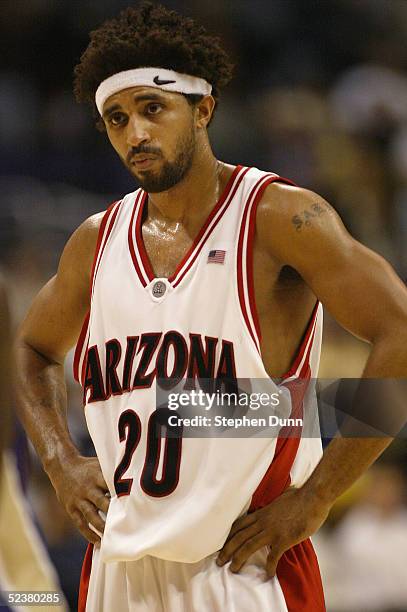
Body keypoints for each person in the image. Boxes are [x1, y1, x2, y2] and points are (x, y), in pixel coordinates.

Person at [14, 3, 407, 611]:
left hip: (243, 564)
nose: (136, 134)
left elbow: (399, 334)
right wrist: (61, 462)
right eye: (117, 119)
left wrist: (315, 498)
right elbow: (31, 348)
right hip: (120, 567)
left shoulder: (280, 217)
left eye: (153, 109)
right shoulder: (95, 241)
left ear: (203, 109)